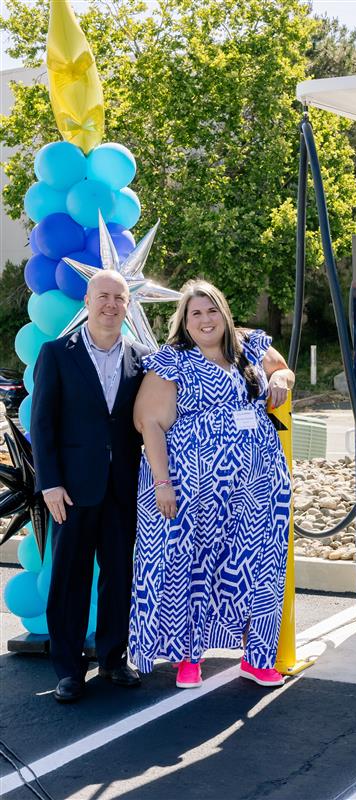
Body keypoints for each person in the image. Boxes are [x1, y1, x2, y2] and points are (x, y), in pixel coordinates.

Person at [129, 280, 293, 689]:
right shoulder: (173, 361)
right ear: (184, 321)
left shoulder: (249, 346)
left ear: (224, 313)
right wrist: (162, 483)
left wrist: (281, 382)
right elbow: (148, 421)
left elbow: (283, 369)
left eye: (211, 310)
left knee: (260, 565)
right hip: (193, 487)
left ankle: (258, 657)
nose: (205, 319)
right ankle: (189, 658)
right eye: (195, 313)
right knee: (195, 566)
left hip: (258, 482)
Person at [32, 271, 150, 703]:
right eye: (103, 296)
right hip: (71, 491)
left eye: (119, 297)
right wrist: (50, 484)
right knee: (69, 580)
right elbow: (41, 424)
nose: (111, 305)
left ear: (127, 304)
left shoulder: (142, 357)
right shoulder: (56, 354)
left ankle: (114, 658)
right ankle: (68, 669)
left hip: (122, 488)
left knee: (120, 576)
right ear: (87, 299)